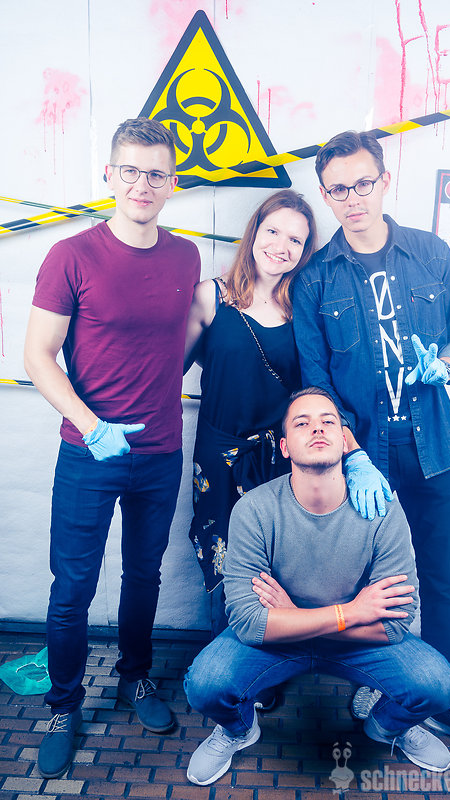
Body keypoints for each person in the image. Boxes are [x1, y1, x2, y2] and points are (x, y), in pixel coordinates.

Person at [291, 130, 450, 757]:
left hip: (435, 451)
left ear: (385, 180)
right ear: (325, 195)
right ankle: (388, 691)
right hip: (366, 461)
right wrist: (352, 457)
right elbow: (317, 387)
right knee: (376, 583)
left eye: (364, 183)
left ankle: (444, 698)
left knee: (438, 580)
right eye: (338, 190)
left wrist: (448, 365)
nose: (353, 198)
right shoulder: (314, 280)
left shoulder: (431, 253)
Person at [24, 117, 201, 779]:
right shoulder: (70, 256)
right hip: (87, 453)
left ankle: (134, 677)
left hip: (159, 452)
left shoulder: (186, 257)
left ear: (172, 182)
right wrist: (91, 425)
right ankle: (64, 706)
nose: (142, 184)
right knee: (72, 588)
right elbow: (38, 356)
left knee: (144, 575)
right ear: (109, 174)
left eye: (156, 173)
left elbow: (177, 342)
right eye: (130, 170)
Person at [183, 388, 450, 786]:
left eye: (329, 421)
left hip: (339, 640)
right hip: (298, 640)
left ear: (345, 440)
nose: (317, 428)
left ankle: (387, 726)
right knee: (205, 684)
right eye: (302, 423)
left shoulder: (381, 508)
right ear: (285, 447)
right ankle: (238, 730)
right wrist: (350, 613)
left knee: (438, 685)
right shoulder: (254, 510)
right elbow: (247, 622)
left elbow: (396, 624)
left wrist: (292, 616)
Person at [183, 190, 390, 636]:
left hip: (284, 459)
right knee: (222, 562)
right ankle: (226, 656)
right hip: (220, 456)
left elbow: (325, 388)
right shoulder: (210, 297)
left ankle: (278, 651)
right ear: (254, 231)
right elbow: (169, 370)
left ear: (305, 250)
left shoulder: (305, 307)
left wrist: (352, 451)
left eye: (295, 240)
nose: (281, 246)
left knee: (280, 564)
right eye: (273, 231)